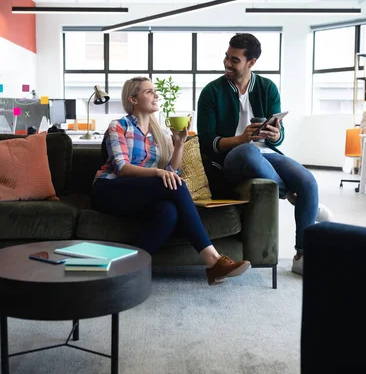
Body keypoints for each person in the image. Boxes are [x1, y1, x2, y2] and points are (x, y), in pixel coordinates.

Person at [91, 76, 251, 286]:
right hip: (109, 189)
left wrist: (180, 144)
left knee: (169, 212)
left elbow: (169, 171)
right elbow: (122, 168)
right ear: (133, 99)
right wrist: (158, 174)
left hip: (142, 193)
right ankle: (213, 259)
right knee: (174, 183)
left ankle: (127, 270)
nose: (156, 95)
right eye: (149, 91)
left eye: (154, 91)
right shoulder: (119, 126)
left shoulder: (161, 133)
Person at [197, 33, 331, 276]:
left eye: (234, 60)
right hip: (231, 158)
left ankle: (302, 254)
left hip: (266, 154)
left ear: (252, 62)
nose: (227, 63)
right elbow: (206, 142)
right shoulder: (211, 92)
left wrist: (274, 134)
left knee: (309, 181)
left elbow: (279, 136)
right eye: (226, 57)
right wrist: (241, 139)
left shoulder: (267, 87)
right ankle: (289, 193)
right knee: (248, 151)